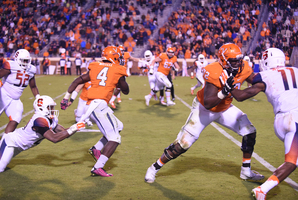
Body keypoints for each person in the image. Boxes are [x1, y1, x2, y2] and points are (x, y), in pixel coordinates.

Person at [144, 43, 264, 183]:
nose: (238, 63)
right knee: (183, 144)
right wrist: (224, 91)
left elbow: (255, 81)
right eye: (233, 61)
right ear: (224, 60)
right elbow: (208, 102)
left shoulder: (243, 66)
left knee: (249, 131)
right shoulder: (214, 71)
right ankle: (153, 168)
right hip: (204, 109)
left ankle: (246, 171)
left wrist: (267, 82)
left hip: (224, 108)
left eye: (239, 59)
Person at [230, 48, 298, 200]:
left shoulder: (265, 76)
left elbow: (241, 95)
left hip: (280, 121)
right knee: (292, 162)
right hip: (296, 119)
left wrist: (230, 86)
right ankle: (263, 190)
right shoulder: (295, 70)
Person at [60, 46, 129, 177]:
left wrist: (66, 97)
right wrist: (121, 80)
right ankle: (98, 167)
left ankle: (96, 148)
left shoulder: (95, 66)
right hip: (99, 106)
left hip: (92, 104)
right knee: (115, 138)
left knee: (119, 126)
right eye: (118, 57)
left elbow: (77, 81)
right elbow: (126, 90)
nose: (120, 59)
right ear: (114, 57)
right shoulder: (118, 69)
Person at [0, 95, 85, 173]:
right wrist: (74, 128)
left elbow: (63, 133)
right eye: (50, 107)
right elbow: (54, 138)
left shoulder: (51, 119)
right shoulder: (39, 120)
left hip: (20, 146)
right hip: (11, 143)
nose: (52, 110)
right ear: (42, 108)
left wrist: (76, 127)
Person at [0, 49, 40, 134]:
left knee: (16, 118)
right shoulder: (11, 65)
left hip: (15, 99)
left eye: (27, 61)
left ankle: (5, 140)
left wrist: (38, 97)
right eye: (23, 60)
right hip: (2, 95)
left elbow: (33, 86)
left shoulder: (31, 69)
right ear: (17, 59)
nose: (25, 63)